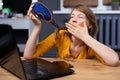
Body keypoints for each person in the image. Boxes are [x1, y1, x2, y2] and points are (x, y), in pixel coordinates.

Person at [24, 4, 119, 66]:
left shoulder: (90, 45)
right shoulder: (61, 35)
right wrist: (37, 26)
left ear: (89, 25)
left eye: (80, 17)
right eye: (72, 16)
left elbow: (114, 61)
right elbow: (28, 56)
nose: (73, 19)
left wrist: (85, 37)